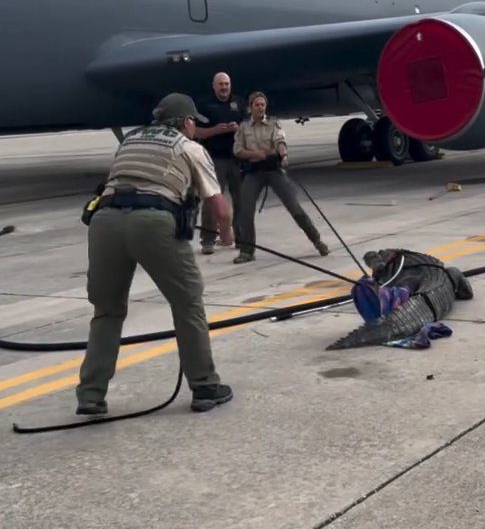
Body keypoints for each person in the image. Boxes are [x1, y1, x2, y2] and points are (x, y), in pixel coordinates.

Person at [75, 93, 234, 415]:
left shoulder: (131, 141)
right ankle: (204, 386)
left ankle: (90, 396)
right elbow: (218, 205)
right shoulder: (188, 146)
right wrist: (227, 234)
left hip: (105, 222)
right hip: (153, 223)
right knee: (187, 302)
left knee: (107, 311)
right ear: (187, 121)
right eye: (194, 123)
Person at [232, 91, 329, 264]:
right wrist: (256, 154)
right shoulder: (244, 127)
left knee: (294, 207)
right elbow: (237, 150)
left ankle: (317, 241)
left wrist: (283, 153)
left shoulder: (273, 123)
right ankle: (247, 251)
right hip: (253, 171)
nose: (260, 108)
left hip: (273, 170)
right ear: (250, 107)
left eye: (263, 105)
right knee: (245, 211)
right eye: (257, 105)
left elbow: (280, 141)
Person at [193, 72, 244, 254]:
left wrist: (239, 129)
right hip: (215, 159)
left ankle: (241, 237)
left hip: (237, 159)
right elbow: (194, 131)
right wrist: (215, 130)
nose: (224, 87)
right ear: (214, 86)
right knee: (211, 200)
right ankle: (208, 239)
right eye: (221, 84)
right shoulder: (204, 105)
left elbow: (247, 126)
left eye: (227, 84)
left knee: (241, 200)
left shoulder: (239, 103)